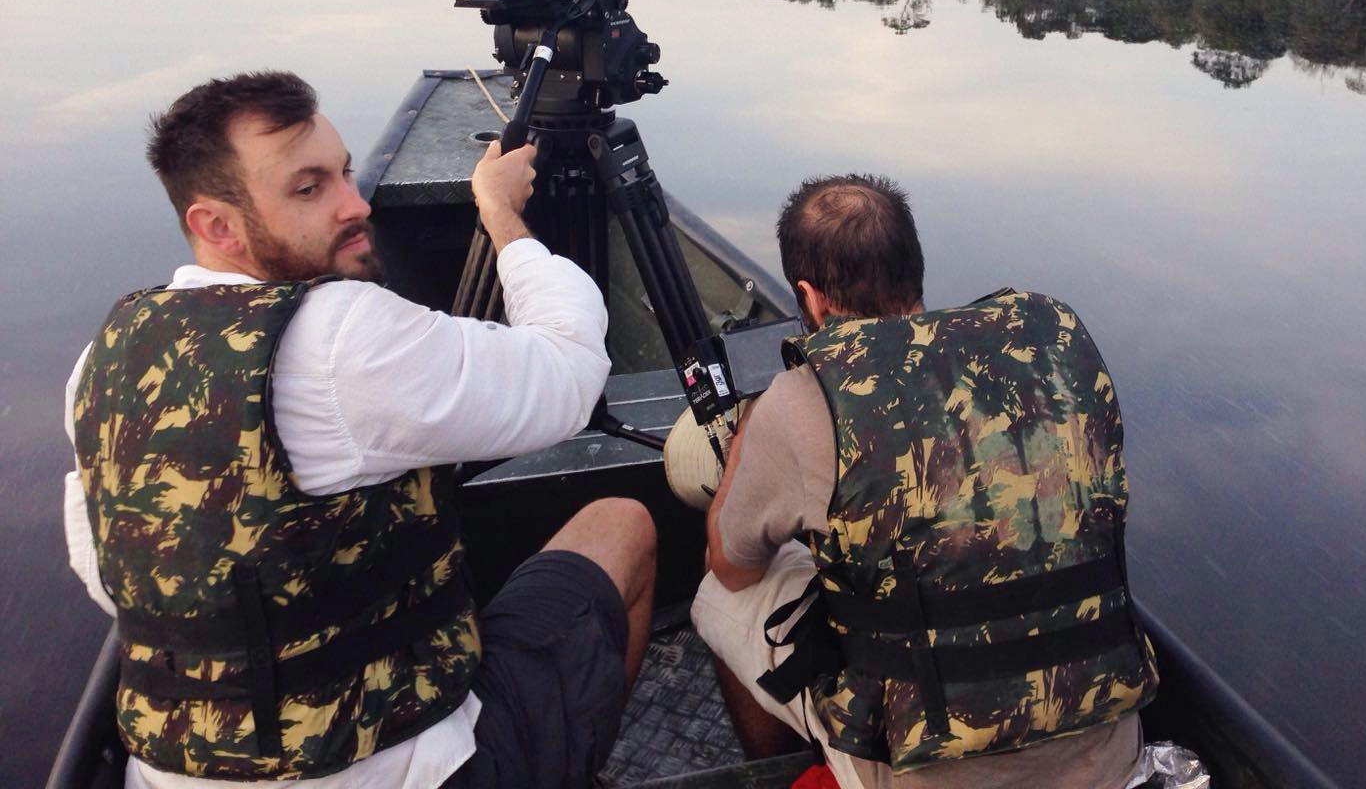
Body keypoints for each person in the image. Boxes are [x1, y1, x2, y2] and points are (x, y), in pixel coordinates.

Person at [63, 70, 655, 789]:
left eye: (344, 173)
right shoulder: (341, 332)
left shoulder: (107, 354)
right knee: (623, 527)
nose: (357, 203)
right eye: (309, 189)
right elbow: (568, 370)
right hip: (415, 774)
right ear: (215, 225)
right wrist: (502, 216)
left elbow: (110, 576)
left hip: (163, 775)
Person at [689, 174, 1157, 789]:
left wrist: (756, 429)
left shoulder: (802, 397)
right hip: (1109, 752)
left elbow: (732, 565)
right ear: (914, 273)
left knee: (713, 598)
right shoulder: (1052, 336)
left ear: (810, 300)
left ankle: (794, 768)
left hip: (925, 774)